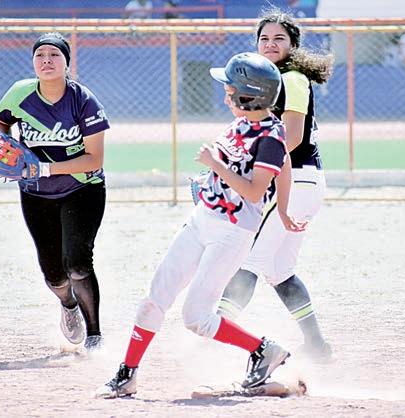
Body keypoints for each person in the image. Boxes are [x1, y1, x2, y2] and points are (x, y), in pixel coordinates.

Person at [96, 52, 302, 399]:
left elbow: (255, 190)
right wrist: (217, 182)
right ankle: (127, 374)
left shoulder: (270, 136)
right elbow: (280, 167)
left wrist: (216, 166)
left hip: (232, 233)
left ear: (248, 96)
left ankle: (263, 350)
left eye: (230, 90)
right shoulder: (241, 123)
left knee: (196, 317)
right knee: (154, 299)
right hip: (202, 220)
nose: (225, 95)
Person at [217, 9, 335, 363]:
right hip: (302, 181)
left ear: (293, 45)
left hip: (295, 179)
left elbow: (292, 136)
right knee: (280, 271)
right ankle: (316, 345)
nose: (270, 44)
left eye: (279, 38)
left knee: (248, 260)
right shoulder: (271, 79)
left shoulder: (292, 78)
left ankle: (213, 333)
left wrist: (250, 168)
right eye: (264, 38)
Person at [0, 32, 110, 350]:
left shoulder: (83, 100)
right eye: (40, 55)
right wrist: (5, 146)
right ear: (33, 62)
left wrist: (43, 168)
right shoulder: (20, 93)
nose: (47, 60)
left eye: (55, 55)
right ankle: (69, 306)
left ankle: (94, 334)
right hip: (36, 194)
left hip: (82, 188)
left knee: (78, 264)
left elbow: (94, 159)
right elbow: (0, 123)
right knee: (54, 274)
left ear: (67, 63)